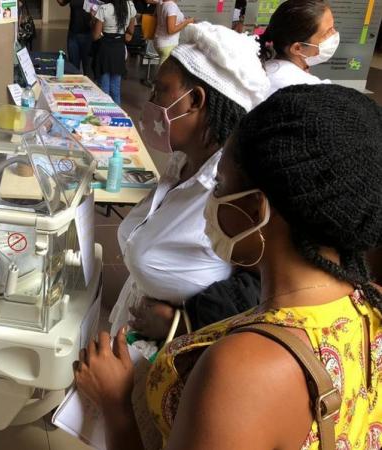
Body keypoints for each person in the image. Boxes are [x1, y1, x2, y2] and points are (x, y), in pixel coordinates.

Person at [75, 83, 382, 450]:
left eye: (219, 186)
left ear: (256, 210)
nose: (211, 201)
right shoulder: (370, 303)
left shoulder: (241, 371)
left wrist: (115, 404)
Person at [109, 22, 269, 338]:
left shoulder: (234, 194)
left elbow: (261, 287)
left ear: (195, 100)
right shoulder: (182, 162)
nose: (151, 100)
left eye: (161, 90)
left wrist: (182, 323)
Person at [259, 0, 337, 97]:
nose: (334, 34)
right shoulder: (313, 92)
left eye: (333, 28)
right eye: (327, 33)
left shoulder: (262, 71)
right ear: (297, 48)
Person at [92, 0, 137, 104]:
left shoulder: (104, 8)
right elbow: (130, 32)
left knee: (104, 88)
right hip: (119, 49)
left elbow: (95, 36)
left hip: (105, 50)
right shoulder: (130, 6)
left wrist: (94, 19)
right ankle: (118, 116)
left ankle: (105, 117)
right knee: (116, 89)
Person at [57, 0, 94, 76]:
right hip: (73, 35)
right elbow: (62, 2)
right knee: (73, 68)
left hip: (88, 35)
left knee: (88, 70)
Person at [153, 0, 193, 65]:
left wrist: (183, 20)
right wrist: (187, 22)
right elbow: (171, 30)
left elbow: (157, 18)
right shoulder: (171, 6)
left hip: (159, 41)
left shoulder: (160, 2)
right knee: (165, 72)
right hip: (168, 44)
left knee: (164, 70)